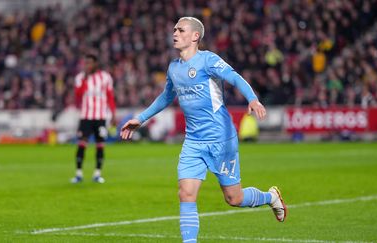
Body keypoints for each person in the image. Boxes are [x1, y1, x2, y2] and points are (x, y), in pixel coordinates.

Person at [121, 17, 286, 242]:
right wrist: (140, 118)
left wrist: (253, 99)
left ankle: (271, 197)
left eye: (181, 30)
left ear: (195, 36)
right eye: (174, 29)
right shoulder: (173, 68)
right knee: (186, 194)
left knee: (234, 198)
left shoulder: (208, 60)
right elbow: (166, 97)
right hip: (193, 142)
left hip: (221, 140)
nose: (175, 33)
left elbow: (234, 78)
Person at [71, 54, 116, 184]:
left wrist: (113, 114)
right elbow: (78, 96)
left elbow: (110, 96)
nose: (87, 65)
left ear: (96, 63)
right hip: (85, 117)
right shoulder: (80, 77)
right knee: (81, 144)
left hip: (101, 117)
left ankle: (97, 173)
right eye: (85, 63)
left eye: (90, 63)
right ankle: (78, 174)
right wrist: (85, 79)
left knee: (100, 145)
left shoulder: (105, 77)